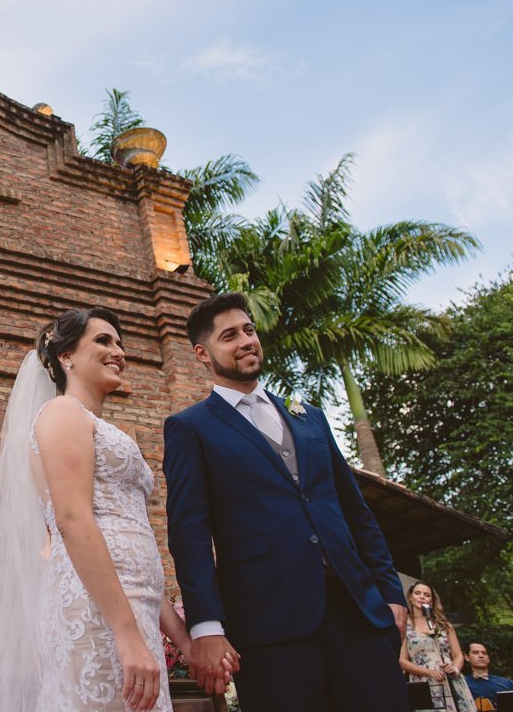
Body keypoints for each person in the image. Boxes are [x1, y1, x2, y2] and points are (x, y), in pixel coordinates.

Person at [0, 308, 197, 712]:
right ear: (66, 357)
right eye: (103, 341)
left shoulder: (97, 425)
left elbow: (131, 549)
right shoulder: (62, 414)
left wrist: (183, 642)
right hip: (95, 611)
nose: (119, 351)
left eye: (120, 343)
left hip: (133, 608)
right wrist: (125, 635)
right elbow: (72, 521)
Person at [162, 292, 408, 712]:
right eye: (229, 336)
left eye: (249, 330)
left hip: (358, 612)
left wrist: (392, 594)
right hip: (269, 623)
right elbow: (189, 533)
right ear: (203, 354)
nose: (246, 341)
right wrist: (206, 626)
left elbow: (354, 511)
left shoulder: (308, 416)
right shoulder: (190, 428)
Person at [399, 581, 476, 711]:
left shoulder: (444, 625)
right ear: (410, 599)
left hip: (449, 680)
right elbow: (402, 660)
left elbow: (457, 655)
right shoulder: (405, 626)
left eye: (427, 595)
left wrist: (455, 669)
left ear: (431, 601)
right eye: (417, 593)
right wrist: (428, 672)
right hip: (422, 681)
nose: (422, 597)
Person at [464, 641, 513, 712]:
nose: (481, 656)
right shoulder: (462, 684)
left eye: (484, 653)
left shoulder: (506, 683)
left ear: (488, 658)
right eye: (475, 653)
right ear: (467, 657)